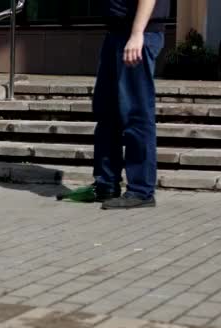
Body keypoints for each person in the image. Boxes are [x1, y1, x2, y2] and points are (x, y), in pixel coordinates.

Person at [83, 0, 170, 210]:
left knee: (136, 113)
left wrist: (137, 33)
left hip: (138, 34)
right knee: (107, 112)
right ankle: (107, 184)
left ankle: (141, 191)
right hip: (116, 33)